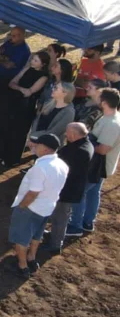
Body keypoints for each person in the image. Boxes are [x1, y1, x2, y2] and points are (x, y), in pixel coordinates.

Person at [7, 134, 68, 279]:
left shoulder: (41, 167)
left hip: (31, 208)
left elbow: (33, 192)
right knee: (36, 235)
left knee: (21, 238)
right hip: (47, 207)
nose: (35, 146)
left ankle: (22, 266)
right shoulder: (62, 165)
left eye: (38, 145)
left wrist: (22, 206)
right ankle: (32, 258)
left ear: (46, 149)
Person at [67, 88, 120, 236]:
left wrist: (85, 142)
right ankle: (87, 222)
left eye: (98, 98)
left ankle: (75, 225)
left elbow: (103, 149)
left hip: (98, 166)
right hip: (101, 167)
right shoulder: (109, 117)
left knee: (79, 192)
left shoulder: (112, 124)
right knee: (93, 193)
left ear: (104, 102)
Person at [0, 51, 50, 166]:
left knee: (18, 132)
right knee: (6, 127)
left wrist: (18, 88)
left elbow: (29, 92)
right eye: (33, 59)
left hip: (26, 107)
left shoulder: (43, 77)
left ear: (43, 64)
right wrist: (20, 89)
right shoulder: (27, 69)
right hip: (13, 102)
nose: (32, 62)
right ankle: (0, 153)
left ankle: (12, 159)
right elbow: (12, 83)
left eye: (36, 60)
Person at [45, 123, 94, 253]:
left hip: (66, 190)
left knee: (60, 217)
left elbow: (63, 169)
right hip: (69, 188)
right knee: (59, 216)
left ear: (73, 134)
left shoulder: (78, 151)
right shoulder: (85, 144)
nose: (65, 134)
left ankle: (55, 245)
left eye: (67, 132)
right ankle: (54, 237)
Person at [0, 27, 31, 93]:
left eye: (13, 36)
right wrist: (4, 58)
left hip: (9, 80)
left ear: (21, 36)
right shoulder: (10, 42)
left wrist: (0, 58)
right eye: (11, 35)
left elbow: (8, 65)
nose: (11, 37)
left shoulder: (24, 50)